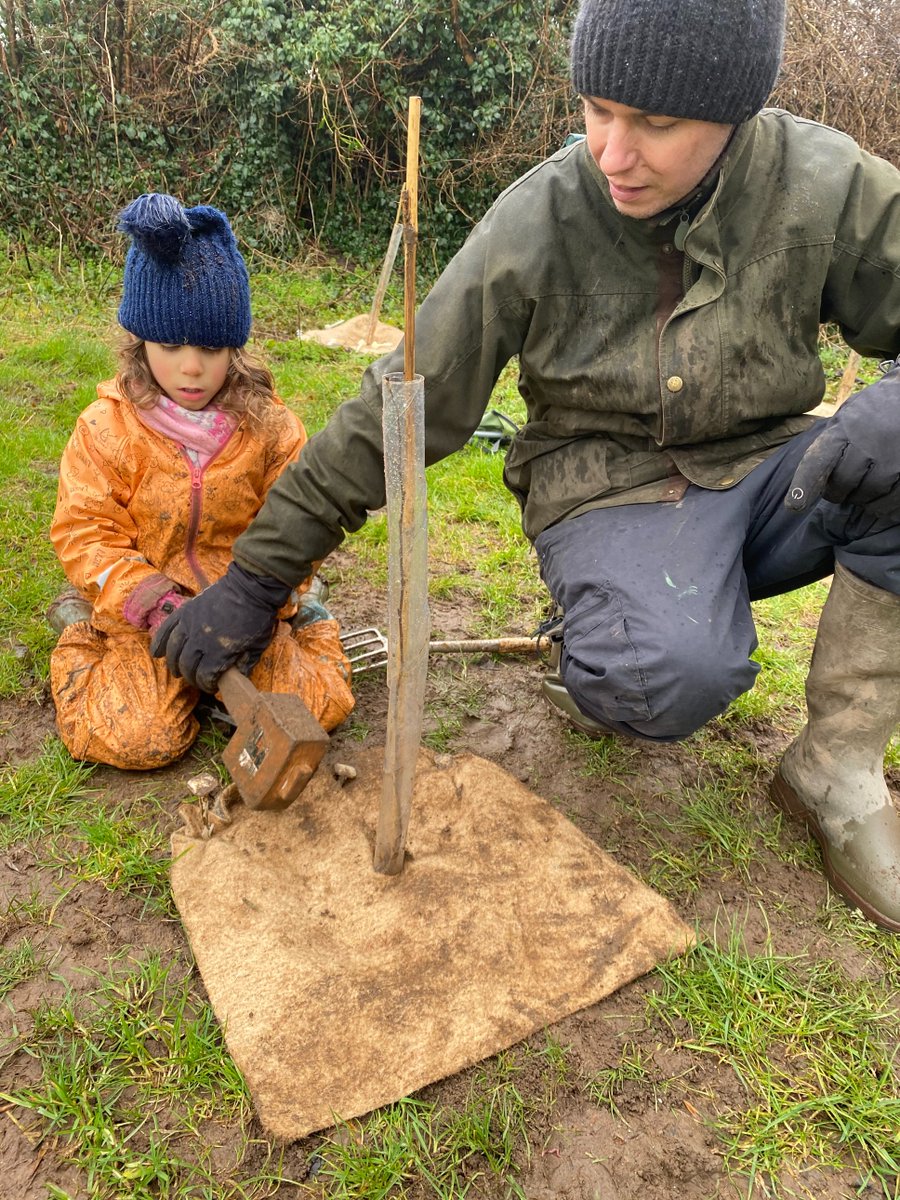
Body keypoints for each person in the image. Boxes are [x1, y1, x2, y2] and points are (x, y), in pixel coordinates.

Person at [151, 0, 900, 931]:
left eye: (654, 124)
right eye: (596, 108)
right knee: (662, 674)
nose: (612, 152)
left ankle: (836, 769)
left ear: (735, 112)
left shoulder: (824, 182)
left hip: (772, 473)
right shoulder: (543, 215)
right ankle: (614, 628)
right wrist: (259, 578)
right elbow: (404, 404)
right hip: (607, 489)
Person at [48, 192, 354, 770]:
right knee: (138, 738)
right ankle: (83, 634)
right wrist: (154, 604)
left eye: (211, 348)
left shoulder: (274, 429)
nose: (192, 367)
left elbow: (299, 527)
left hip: (247, 609)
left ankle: (310, 619)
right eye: (170, 347)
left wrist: (270, 605)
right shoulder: (105, 430)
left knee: (316, 708)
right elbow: (86, 533)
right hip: (149, 613)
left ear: (234, 345)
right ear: (139, 342)